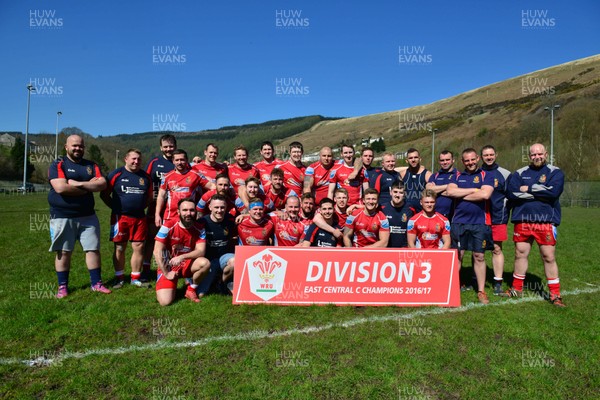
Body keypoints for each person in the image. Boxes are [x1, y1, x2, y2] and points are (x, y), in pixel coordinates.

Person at [48, 134, 111, 298]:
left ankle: (96, 283)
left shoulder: (91, 165)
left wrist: (77, 183)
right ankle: (62, 287)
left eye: (81, 146)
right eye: (74, 145)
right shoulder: (58, 164)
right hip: (62, 215)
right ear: (66, 147)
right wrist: (89, 187)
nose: (78, 148)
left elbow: (102, 184)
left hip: (88, 216)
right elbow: (61, 188)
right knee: (63, 251)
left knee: (93, 249)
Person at [503, 143, 565, 307]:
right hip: (523, 220)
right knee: (520, 254)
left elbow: (553, 192)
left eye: (540, 154)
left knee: (548, 256)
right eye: (533, 155)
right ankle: (517, 289)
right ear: (529, 156)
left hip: (545, 221)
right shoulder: (519, 173)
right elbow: (512, 193)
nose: (536, 157)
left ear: (546, 154)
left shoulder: (555, 172)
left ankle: (555, 295)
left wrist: (528, 189)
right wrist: (540, 192)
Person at [446, 148, 494, 304]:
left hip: (479, 223)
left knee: (479, 256)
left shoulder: (486, 175)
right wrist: (474, 190)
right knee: (458, 256)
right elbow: (450, 192)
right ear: (462, 161)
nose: (470, 163)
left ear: (478, 158)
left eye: (473, 159)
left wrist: (462, 194)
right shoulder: (457, 175)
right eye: (467, 160)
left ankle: (481, 291)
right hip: (459, 222)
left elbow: (485, 195)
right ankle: (451, 288)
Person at [100, 149, 152, 288]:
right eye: (133, 159)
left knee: (139, 246)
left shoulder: (146, 177)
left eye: (139, 159)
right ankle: (120, 277)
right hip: (120, 218)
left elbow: (149, 198)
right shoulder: (116, 174)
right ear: (126, 159)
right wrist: (116, 207)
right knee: (119, 247)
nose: (136, 162)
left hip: (140, 218)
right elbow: (104, 195)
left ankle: (135, 277)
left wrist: (139, 207)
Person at [154, 198, 211, 305]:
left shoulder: (200, 228)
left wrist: (181, 257)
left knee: (205, 263)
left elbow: (201, 251)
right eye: (185, 210)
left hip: (186, 263)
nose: (188, 213)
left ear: (195, 212)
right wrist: (166, 272)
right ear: (178, 212)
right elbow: (157, 251)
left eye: (191, 210)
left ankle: (191, 289)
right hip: (169, 265)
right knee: (165, 302)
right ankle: (167, 280)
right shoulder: (168, 225)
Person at [143, 134, 177, 280]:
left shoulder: (179, 161)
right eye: (166, 146)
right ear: (161, 147)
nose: (169, 149)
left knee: (172, 240)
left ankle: (168, 266)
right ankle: (145, 269)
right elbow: (143, 180)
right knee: (152, 238)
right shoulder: (154, 162)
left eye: (171, 146)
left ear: (175, 146)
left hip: (174, 208)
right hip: (155, 207)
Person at [480, 145, 511, 295]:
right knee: (478, 251)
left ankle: (497, 282)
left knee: (497, 249)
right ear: (481, 157)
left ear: (496, 155)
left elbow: (511, 196)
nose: (489, 157)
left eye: (491, 154)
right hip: (479, 217)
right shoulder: (477, 173)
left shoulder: (505, 174)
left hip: (498, 218)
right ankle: (477, 280)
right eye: (486, 155)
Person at [155, 149, 210, 227]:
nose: (179, 162)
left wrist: (201, 205)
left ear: (187, 160)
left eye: (182, 160)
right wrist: (157, 214)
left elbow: (213, 187)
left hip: (188, 216)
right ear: (173, 161)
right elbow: (161, 196)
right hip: (170, 217)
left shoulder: (195, 175)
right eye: (177, 160)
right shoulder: (167, 176)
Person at [196, 194, 237, 296]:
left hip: (224, 257)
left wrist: (243, 215)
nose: (220, 210)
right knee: (200, 294)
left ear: (226, 207)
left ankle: (221, 282)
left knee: (234, 261)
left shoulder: (230, 220)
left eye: (222, 207)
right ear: (210, 207)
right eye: (216, 207)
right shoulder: (202, 222)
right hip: (208, 261)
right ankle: (213, 280)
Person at [380, 182, 415, 248]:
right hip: (387, 248)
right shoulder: (382, 208)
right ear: (391, 192)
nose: (397, 195)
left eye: (401, 193)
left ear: (404, 194)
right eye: (395, 192)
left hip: (404, 249)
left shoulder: (411, 209)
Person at [426, 150, 459, 219]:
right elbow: (429, 190)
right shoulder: (435, 176)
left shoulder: (459, 175)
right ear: (439, 162)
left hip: (453, 215)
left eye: (447, 160)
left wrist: (436, 190)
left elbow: (456, 193)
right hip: (435, 214)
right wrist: (448, 186)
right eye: (442, 160)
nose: (445, 162)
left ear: (453, 160)